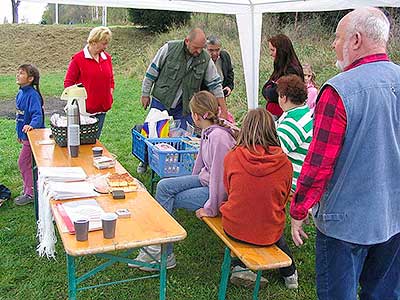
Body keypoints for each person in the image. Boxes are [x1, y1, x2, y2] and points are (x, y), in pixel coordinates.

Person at [290, 7, 400, 299]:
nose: (333, 45)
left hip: (345, 223)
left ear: (356, 40)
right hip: (393, 216)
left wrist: (299, 209)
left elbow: (319, 162)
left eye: (337, 37)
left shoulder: (339, 90)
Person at [129, 91, 236, 271]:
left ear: (196, 115)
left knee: (169, 200)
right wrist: (186, 181)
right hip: (204, 181)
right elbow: (200, 164)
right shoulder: (208, 131)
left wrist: (211, 208)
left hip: (216, 191)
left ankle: (162, 253)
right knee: (164, 186)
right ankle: (158, 247)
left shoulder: (219, 137)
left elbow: (220, 179)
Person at [220, 108, 298, 289]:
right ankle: (290, 273)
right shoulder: (285, 163)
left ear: (245, 128)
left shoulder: (232, 156)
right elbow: (283, 197)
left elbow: (229, 189)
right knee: (272, 225)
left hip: (234, 226)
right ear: (272, 130)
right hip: (269, 231)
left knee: (249, 222)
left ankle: (240, 267)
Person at [137, 28, 226, 174]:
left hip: (184, 106)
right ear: (187, 41)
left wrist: (224, 109)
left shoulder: (205, 58)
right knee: (153, 132)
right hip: (161, 100)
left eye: (201, 48)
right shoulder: (168, 48)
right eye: (196, 47)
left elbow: (215, 84)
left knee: (183, 138)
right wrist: (145, 93)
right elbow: (152, 71)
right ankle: (146, 161)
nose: (198, 51)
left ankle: (176, 169)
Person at [64, 26, 115, 139]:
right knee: (83, 142)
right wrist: (78, 103)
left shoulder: (107, 58)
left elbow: (111, 79)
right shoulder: (78, 59)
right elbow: (68, 84)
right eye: (103, 43)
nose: (105, 47)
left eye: (107, 43)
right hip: (85, 111)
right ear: (94, 42)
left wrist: (110, 92)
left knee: (95, 140)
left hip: (102, 108)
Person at [276, 74, 313, 192]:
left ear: (283, 98)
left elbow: (272, 153)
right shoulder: (304, 113)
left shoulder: (293, 124)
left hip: (293, 187)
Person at [14, 64, 45, 206]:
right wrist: (19, 133)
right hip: (26, 136)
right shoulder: (21, 93)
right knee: (30, 164)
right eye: (18, 72)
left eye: (21, 73)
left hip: (34, 136)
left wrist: (32, 125)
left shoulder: (32, 95)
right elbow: (20, 117)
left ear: (30, 78)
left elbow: (37, 115)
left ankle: (31, 193)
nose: (18, 75)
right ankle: (30, 188)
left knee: (23, 163)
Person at [262, 34, 303, 119]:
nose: (271, 54)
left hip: (284, 117)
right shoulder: (280, 67)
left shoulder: (292, 71)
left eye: (273, 50)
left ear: (281, 51)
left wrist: (271, 89)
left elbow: (275, 94)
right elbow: (265, 90)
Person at [206, 35, 235, 123]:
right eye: (211, 50)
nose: (214, 53)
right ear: (205, 49)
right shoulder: (202, 60)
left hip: (221, 96)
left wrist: (229, 87)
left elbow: (230, 73)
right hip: (207, 99)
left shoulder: (224, 56)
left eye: (217, 50)